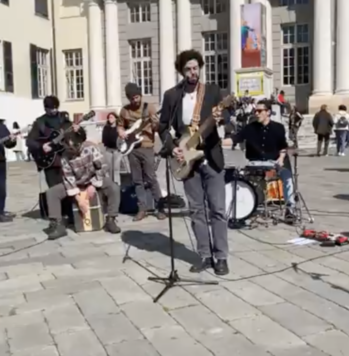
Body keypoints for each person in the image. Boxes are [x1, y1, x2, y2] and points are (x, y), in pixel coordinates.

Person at [159, 49, 230, 276]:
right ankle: (205, 255)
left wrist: (222, 119)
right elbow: (162, 127)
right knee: (196, 210)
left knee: (218, 209)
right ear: (182, 71)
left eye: (196, 67)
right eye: (188, 69)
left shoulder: (212, 91)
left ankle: (221, 257)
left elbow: (226, 117)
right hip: (186, 160)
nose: (193, 72)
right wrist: (173, 148)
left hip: (211, 157)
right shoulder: (172, 95)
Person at [225, 99, 296, 222]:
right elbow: (235, 139)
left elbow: (283, 147)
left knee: (287, 176)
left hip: (273, 162)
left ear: (268, 112)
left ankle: (290, 209)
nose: (256, 113)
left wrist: (281, 158)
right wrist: (215, 142)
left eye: (259, 111)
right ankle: (243, 207)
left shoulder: (278, 128)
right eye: (255, 111)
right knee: (237, 176)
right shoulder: (249, 128)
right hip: (254, 162)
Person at [43, 129, 121, 239]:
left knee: (113, 188)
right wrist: (79, 200)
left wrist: (93, 185)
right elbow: (68, 178)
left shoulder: (91, 148)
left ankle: (111, 219)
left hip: (94, 179)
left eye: (75, 146)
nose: (73, 150)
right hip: (77, 183)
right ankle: (57, 224)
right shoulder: (65, 157)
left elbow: (102, 167)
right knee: (52, 192)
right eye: (69, 148)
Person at [118, 83, 166, 221]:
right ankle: (142, 209)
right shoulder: (124, 111)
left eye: (137, 97)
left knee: (151, 178)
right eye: (132, 98)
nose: (135, 100)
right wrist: (121, 132)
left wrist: (155, 123)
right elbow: (120, 125)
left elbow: (157, 128)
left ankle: (160, 207)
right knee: (137, 180)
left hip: (147, 146)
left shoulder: (149, 108)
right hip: (132, 148)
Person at [27, 96, 86, 189]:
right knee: (55, 190)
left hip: (67, 159)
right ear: (45, 108)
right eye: (51, 108)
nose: (54, 110)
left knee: (70, 189)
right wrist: (41, 146)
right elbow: (30, 141)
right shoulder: (40, 122)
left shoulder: (64, 120)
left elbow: (80, 138)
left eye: (56, 108)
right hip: (50, 162)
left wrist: (79, 130)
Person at [101, 112, 122, 184]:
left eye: (112, 117)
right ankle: (111, 184)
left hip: (117, 150)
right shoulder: (106, 128)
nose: (110, 118)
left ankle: (117, 183)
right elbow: (104, 140)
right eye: (109, 117)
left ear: (116, 118)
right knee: (109, 168)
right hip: (108, 150)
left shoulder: (119, 128)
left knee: (116, 168)